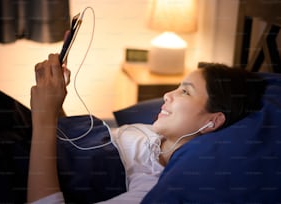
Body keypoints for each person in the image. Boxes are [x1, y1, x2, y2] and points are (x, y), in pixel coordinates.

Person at [27, 54, 266, 203]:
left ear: (211, 121)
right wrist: (55, 103)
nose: (167, 95)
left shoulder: (154, 185)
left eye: (185, 91)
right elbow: (71, 149)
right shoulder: (151, 133)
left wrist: (44, 117)